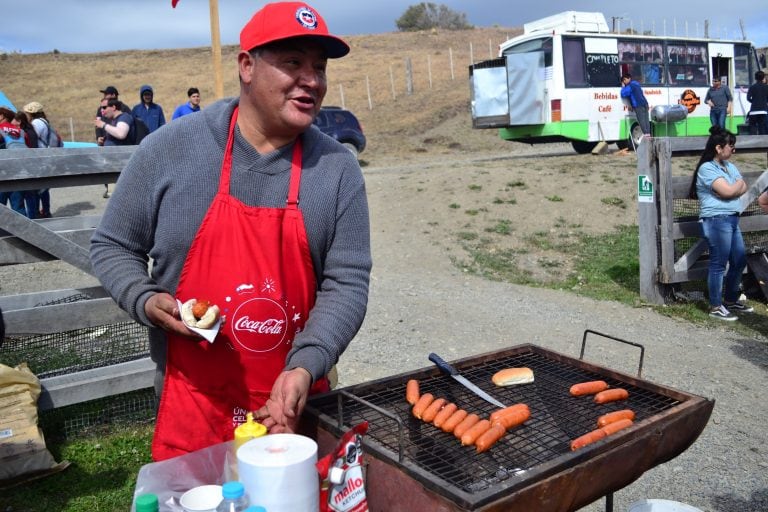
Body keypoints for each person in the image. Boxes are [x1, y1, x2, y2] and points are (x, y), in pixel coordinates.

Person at [90, 1, 371, 461]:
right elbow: (113, 244)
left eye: (319, 68)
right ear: (247, 65)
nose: (312, 81)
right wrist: (143, 298)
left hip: (294, 402)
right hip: (193, 398)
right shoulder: (169, 150)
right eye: (293, 63)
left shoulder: (337, 169)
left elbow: (348, 282)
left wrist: (306, 364)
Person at [688, 126, 753, 321]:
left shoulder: (729, 167)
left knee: (739, 259)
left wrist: (733, 189)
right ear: (718, 148)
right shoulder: (707, 168)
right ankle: (716, 305)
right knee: (718, 262)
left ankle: (731, 299)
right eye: (731, 146)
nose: (733, 150)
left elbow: (742, 185)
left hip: (732, 217)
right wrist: (733, 189)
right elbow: (728, 191)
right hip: (717, 219)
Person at [23, 101, 57, 218]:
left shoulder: (37, 123)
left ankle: (38, 212)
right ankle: (46, 210)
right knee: (44, 187)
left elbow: (32, 136)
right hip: (45, 156)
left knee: (37, 187)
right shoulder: (44, 121)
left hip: (39, 156)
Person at [0, 107, 30, 216]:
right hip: (18, 172)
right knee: (19, 208)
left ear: (2, 116)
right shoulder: (21, 131)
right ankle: (24, 232)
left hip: (2, 174)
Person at [747, 71, 768, 135]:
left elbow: (748, 98)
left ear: (755, 78)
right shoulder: (766, 87)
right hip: (763, 111)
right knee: (762, 128)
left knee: (753, 128)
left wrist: (753, 101)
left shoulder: (752, 87)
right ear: (763, 78)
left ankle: (753, 143)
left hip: (753, 111)